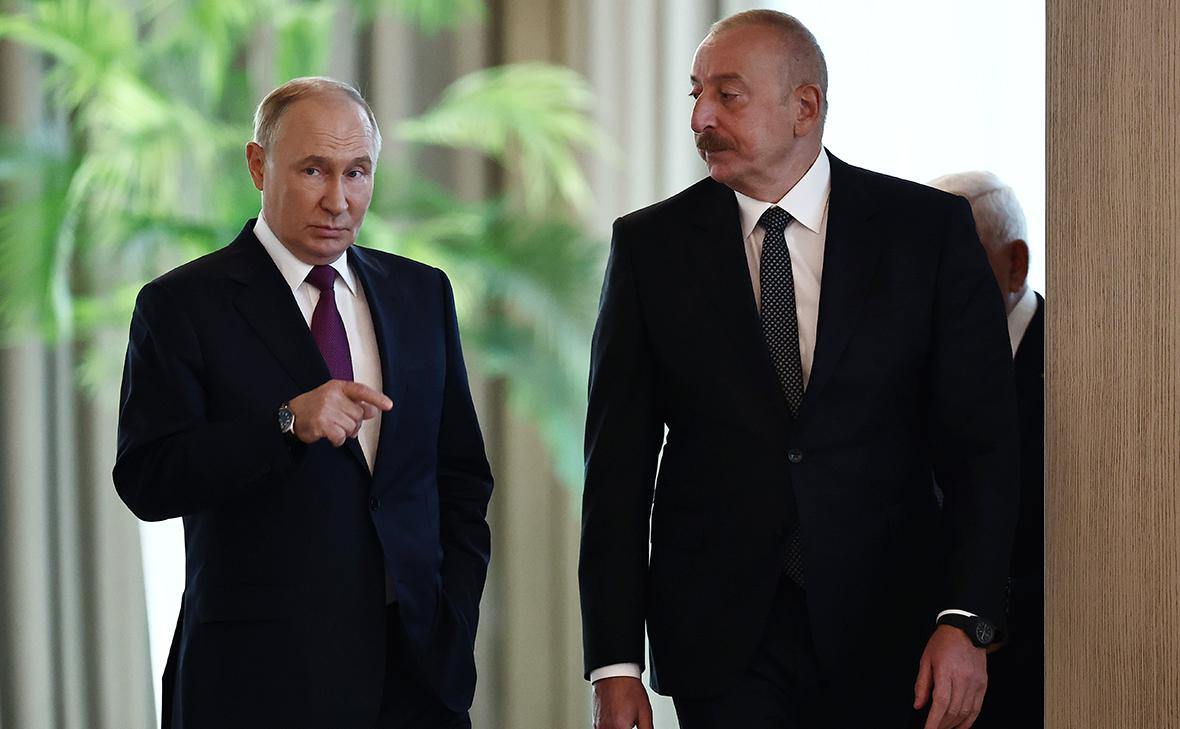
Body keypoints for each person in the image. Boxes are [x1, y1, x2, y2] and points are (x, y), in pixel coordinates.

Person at [579, 10, 1020, 729]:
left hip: (894, 632)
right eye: (695, 93)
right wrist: (615, 664)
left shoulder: (926, 232)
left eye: (727, 95)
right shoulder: (649, 247)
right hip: (721, 640)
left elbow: (983, 447)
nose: (700, 117)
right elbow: (616, 468)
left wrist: (966, 618)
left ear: (805, 106)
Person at [113, 77, 493, 729]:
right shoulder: (181, 305)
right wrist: (286, 424)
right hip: (259, 683)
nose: (338, 200)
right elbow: (148, 479)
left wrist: (452, 610)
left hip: (418, 677)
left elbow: (459, 476)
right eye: (313, 170)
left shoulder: (420, 292)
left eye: (357, 172)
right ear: (258, 166)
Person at [929, 171, 1044, 729]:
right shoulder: (909, 360)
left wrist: (984, 614)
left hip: (1046, 672)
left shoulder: (1085, 366)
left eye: (955, 260)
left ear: (1015, 265)